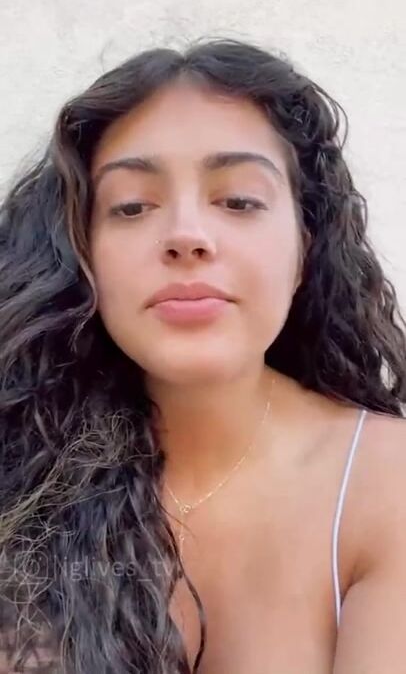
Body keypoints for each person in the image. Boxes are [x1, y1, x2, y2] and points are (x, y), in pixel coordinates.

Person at [1, 37, 406, 674]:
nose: (186, 236)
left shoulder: (385, 485)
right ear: (80, 253)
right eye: (132, 206)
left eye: (238, 201)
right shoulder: (23, 480)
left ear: (305, 248)